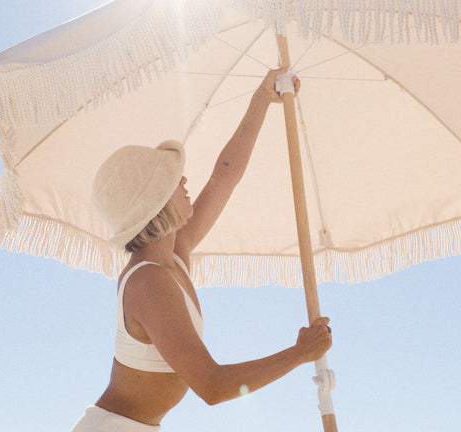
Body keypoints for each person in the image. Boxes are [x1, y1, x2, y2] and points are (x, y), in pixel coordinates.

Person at [71, 68, 332, 431]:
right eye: (171, 180)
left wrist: (261, 100)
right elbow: (212, 386)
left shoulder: (174, 254)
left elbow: (225, 175)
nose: (183, 180)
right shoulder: (149, 282)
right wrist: (300, 354)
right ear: (155, 203)